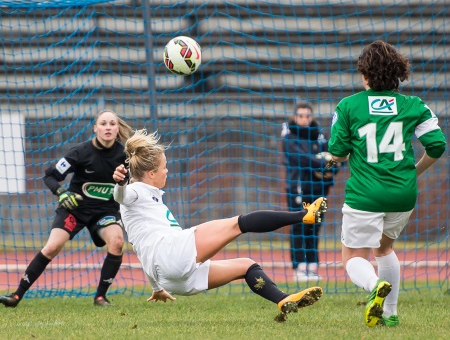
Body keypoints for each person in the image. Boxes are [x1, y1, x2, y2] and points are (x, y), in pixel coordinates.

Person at [111, 129, 326, 322]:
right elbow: (121, 195)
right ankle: (304, 215)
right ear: (150, 174)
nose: (167, 171)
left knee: (247, 265)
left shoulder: (148, 199)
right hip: (172, 253)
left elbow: (146, 250)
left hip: (169, 278)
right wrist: (120, 183)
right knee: (239, 224)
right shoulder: (136, 190)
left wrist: (157, 287)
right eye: (164, 167)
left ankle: (283, 300)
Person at [326, 40, 447, 327]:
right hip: (403, 194)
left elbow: (339, 153)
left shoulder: (348, 106)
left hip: (365, 195)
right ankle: (390, 315)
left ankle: (374, 287)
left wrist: (331, 158)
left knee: (353, 258)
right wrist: (414, 172)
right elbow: (438, 146)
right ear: (398, 73)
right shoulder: (414, 105)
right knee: (384, 249)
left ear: (365, 74)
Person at [0, 110, 134, 308]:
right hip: (75, 209)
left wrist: (125, 181)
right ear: (95, 128)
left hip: (105, 212)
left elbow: (130, 184)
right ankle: (16, 295)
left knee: (116, 242)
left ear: (117, 128)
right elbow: (50, 176)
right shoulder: (80, 152)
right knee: (52, 247)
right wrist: (61, 192)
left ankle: (100, 297)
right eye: (103, 123)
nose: (108, 127)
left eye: (112, 124)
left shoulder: (125, 156)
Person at [281, 101, 339, 281]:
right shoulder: (289, 137)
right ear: (295, 117)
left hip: (319, 188)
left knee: (315, 226)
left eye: (307, 115)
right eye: (300, 116)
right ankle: (299, 267)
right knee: (299, 226)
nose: (304, 119)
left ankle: (312, 266)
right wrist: (323, 164)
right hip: (298, 189)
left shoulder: (319, 136)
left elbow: (335, 159)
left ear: (311, 116)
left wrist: (331, 168)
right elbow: (300, 159)